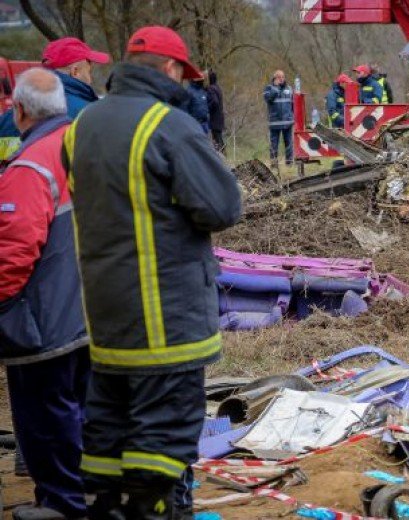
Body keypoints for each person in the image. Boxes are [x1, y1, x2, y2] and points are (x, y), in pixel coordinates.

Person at [62, 26, 242, 520]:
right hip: (165, 314)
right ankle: (154, 508)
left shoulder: (82, 126)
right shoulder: (170, 126)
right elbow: (222, 206)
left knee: (109, 422)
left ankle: (106, 506)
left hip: (104, 311)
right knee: (164, 428)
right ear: (170, 70)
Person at [0, 68, 90, 520]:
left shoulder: (31, 164)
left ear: (18, 111)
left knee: (44, 420)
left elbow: (13, 252)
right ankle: (85, 497)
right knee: (82, 410)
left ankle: (62, 504)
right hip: (94, 310)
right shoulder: (86, 145)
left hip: (44, 321)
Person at [0, 37, 110, 161]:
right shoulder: (88, 113)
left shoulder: (11, 117)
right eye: (89, 72)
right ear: (75, 72)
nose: (91, 79)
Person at [263, 69, 294, 166]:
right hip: (275, 122)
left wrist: (292, 117)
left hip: (287, 122)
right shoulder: (268, 88)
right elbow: (268, 99)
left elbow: (293, 104)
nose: (281, 79)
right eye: (279, 77)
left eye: (283, 77)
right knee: (274, 145)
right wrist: (276, 88)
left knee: (289, 144)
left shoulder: (289, 88)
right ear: (274, 78)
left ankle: (289, 164)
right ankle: (274, 164)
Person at [206, 70, 225, 152]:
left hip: (215, 118)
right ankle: (224, 157)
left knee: (217, 139)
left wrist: (208, 108)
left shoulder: (211, 89)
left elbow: (215, 101)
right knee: (219, 138)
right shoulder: (218, 88)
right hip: (220, 117)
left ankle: (221, 158)